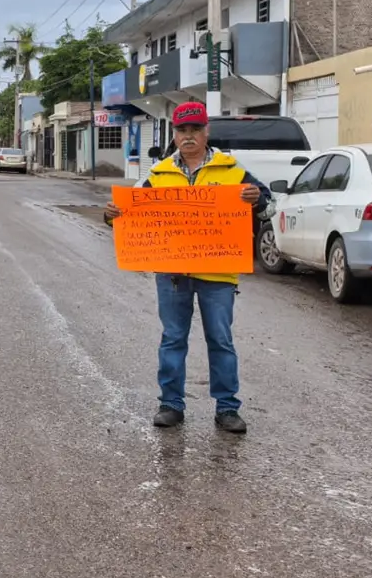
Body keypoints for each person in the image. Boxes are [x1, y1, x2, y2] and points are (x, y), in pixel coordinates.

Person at [103, 102, 270, 434]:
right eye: (182, 130)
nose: (189, 136)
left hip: (218, 273)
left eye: (195, 130)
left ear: (206, 132)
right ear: (174, 134)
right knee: (173, 338)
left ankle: (227, 408)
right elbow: (133, 213)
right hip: (173, 273)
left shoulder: (233, 170)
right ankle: (171, 404)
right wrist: (113, 215)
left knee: (220, 340)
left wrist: (258, 198)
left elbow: (265, 202)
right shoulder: (159, 173)